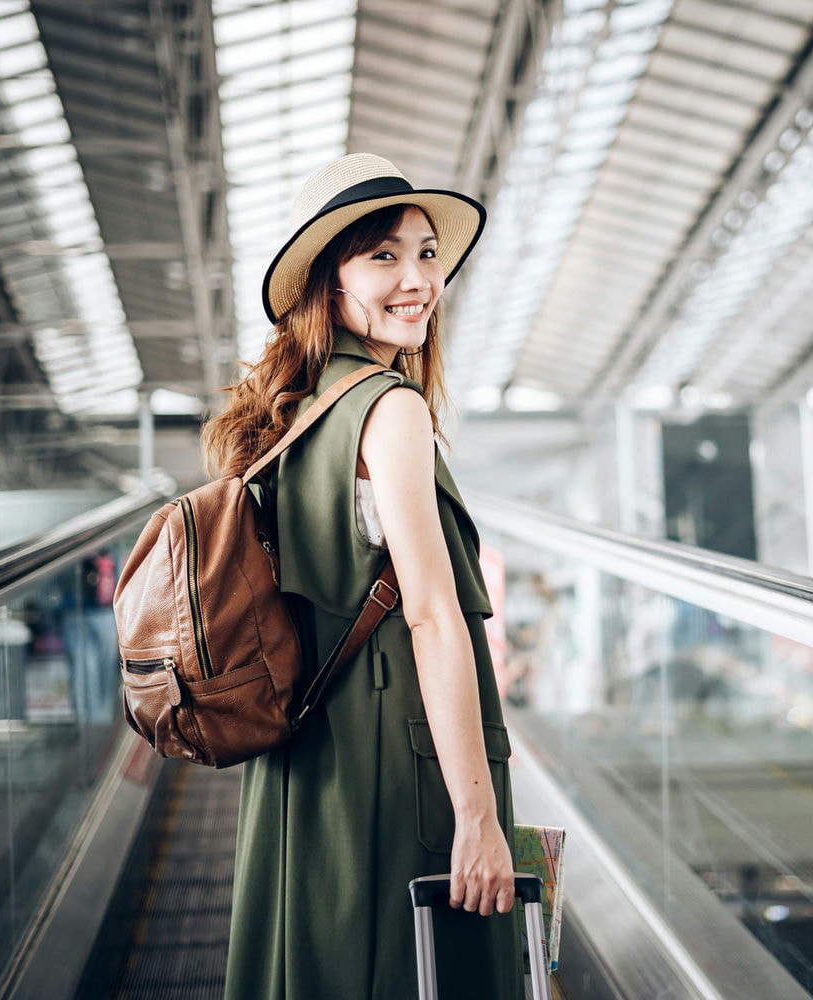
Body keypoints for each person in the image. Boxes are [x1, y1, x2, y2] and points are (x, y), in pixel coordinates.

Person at [205, 154, 523, 999]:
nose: (417, 277)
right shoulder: (392, 408)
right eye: (382, 255)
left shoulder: (294, 416)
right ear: (329, 284)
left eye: (426, 252)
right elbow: (430, 616)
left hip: (306, 763)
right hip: (395, 761)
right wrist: (479, 815)